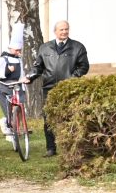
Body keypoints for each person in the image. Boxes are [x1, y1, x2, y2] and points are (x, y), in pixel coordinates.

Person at [28, 20, 89, 157]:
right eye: (61, 29)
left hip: (69, 89)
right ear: (55, 31)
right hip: (49, 88)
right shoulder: (45, 48)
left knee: (70, 117)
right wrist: (30, 76)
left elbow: (84, 67)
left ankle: (71, 147)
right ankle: (51, 148)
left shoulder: (77, 47)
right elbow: (38, 67)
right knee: (48, 119)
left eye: (66, 29)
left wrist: (72, 79)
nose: (64, 32)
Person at [0, 26, 25, 144]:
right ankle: (9, 128)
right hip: (5, 87)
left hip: (17, 87)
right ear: (11, 48)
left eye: (20, 50)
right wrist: (7, 71)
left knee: (19, 110)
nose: (19, 53)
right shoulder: (3, 59)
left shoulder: (19, 60)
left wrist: (24, 79)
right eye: (17, 50)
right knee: (8, 111)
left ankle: (14, 128)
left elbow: (21, 74)